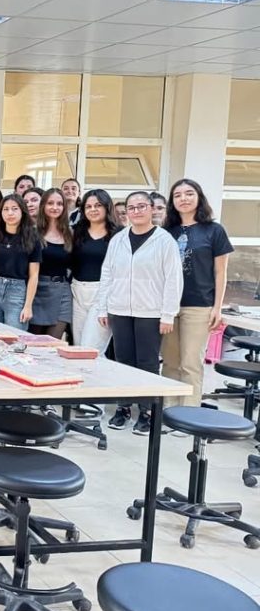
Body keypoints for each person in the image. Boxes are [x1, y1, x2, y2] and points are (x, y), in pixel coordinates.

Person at [96, 190, 183, 434]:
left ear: (152, 209)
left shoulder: (164, 240)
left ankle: (146, 412)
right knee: (123, 362)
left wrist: (168, 314)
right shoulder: (118, 239)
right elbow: (107, 274)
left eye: (142, 206)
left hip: (150, 311)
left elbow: (173, 279)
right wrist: (103, 307)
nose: (136, 211)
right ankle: (123, 408)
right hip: (119, 309)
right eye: (131, 207)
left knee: (147, 363)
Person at [161, 178, 233, 407]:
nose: (183, 198)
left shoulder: (214, 230)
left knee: (191, 363)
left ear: (199, 197)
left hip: (199, 305)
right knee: (170, 362)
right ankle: (169, 411)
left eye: (189, 193)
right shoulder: (165, 232)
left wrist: (217, 307)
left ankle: (189, 414)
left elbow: (220, 272)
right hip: (169, 306)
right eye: (178, 195)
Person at [0, 194, 41, 330]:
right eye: (5, 209)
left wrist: (28, 306)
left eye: (14, 209)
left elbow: (34, 275)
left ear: (22, 211)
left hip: (17, 292)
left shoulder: (32, 237)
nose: (10, 213)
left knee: (14, 335)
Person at [70, 189, 119, 353]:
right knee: (78, 346)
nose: (93, 209)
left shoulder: (119, 234)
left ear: (107, 207)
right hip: (77, 291)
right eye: (88, 206)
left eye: (98, 205)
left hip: (103, 294)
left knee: (90, 349)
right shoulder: (76, 231)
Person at [29, 188, 72, 339]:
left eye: (59, 204)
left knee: (53, 343)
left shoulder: (70, 234)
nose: (55, 207)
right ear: (43, 206)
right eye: (50, 203)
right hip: (37, 291)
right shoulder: (33, 233)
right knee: (34, 343)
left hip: (62, 291)